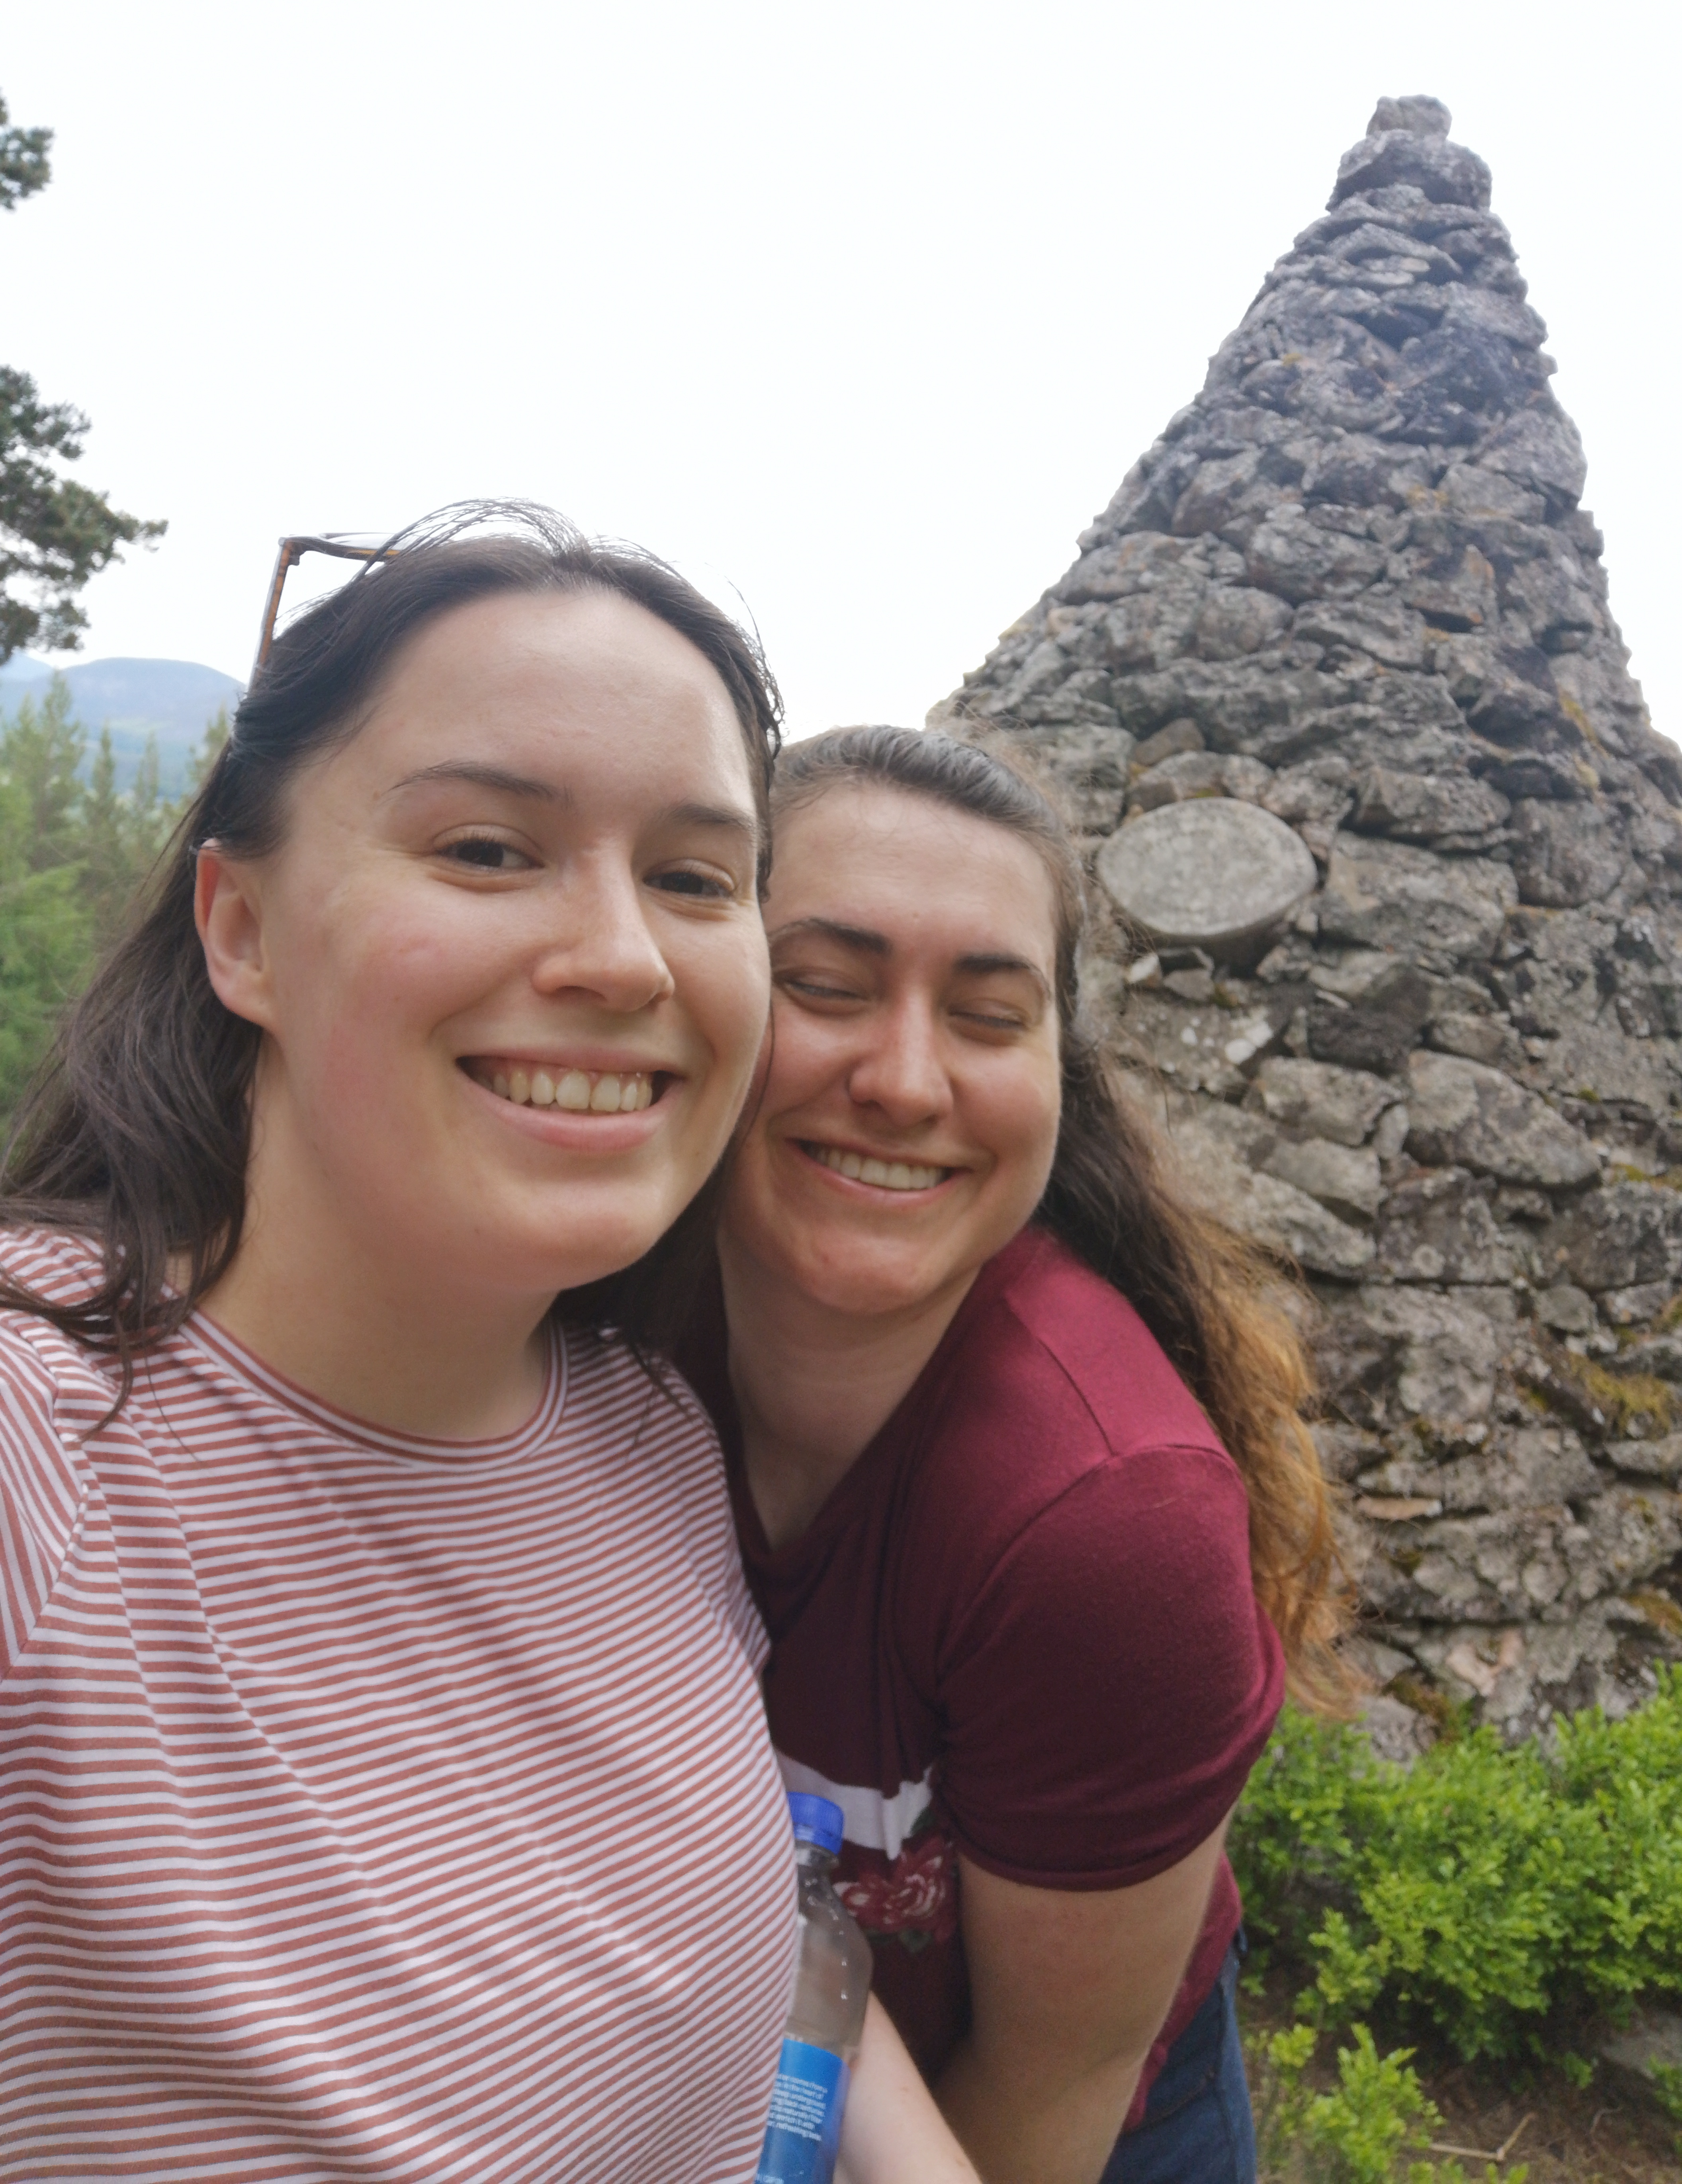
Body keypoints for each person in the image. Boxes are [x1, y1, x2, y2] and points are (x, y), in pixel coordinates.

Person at [0, 512, 976, 2184]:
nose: (619, 956)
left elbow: (759, 1955)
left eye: (693, 876)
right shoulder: (43, 1449)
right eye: (484, 849)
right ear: (240, 929)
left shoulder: (647, 1427)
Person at [680, 724, 1353, 2184]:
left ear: (1061, 1068)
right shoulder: (582, 1338)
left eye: (989, 1015)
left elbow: (1054, 2089)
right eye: (825, 986)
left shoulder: (1105, 1527)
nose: (907, 1081)